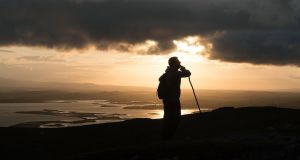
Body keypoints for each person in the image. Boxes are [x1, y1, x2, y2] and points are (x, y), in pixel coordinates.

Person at [160, 56, 191, 140]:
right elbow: (188, 73)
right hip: (173, 99)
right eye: (178, 62)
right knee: (175, 118)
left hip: (167, 99)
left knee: (168, 117)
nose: (180, 62)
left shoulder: (168, 73)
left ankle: (166, 137)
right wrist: (183, 68)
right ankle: (169, 137)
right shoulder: (174, 73)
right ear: (174, 64)